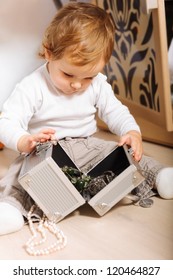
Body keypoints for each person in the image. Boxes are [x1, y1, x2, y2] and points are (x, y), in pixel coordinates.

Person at [0, 2, 172, 236]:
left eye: (88, 77)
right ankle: (10, 209)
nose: (77, 84)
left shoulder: (98, 83)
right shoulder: (32, 86)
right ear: (49, 52)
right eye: (68, 74)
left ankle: (160, 176)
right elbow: (7, 122)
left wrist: (132, 132)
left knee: (124, 154)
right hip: (43, 150)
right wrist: (23, 141)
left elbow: (116, 111)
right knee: (18, 174)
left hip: (87, 146)